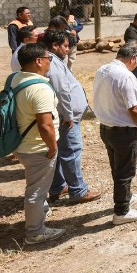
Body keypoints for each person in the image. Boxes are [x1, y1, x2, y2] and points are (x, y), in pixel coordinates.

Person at [13, 43, 65, 244]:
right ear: (39, 61)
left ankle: (40, 213)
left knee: (35, 185)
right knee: (36, 191)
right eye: (49, 58)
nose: (50, 62)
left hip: (21, 143)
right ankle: (35, 232)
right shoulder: (40, 89)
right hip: (37, 147)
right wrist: (52, 147)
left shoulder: (16, 79)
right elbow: (45, 125)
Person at [42, 31, 101, 205]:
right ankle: (78, 191)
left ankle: (58, 187)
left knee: (60, 152)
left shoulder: (54, 61)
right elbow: (61, 91)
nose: (68, 50)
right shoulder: (53, 64)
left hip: (63, 115)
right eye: (65, 46)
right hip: (66, 117)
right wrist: (68, 115)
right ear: (55, 46)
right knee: (71, 152)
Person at [93, 42, 137, 225]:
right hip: (123, 131)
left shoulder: (103, 69)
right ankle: (122, 211)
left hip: (106, 127)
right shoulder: (126, 76)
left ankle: (126, 196)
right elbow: (134, 108)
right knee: (125, 171)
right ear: (133, 58)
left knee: (117, 167)